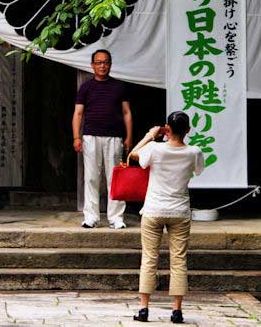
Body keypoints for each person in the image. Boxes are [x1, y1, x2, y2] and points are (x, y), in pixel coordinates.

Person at [129, 111, 204, 324]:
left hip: (153, 209)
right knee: (179, 260)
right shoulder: (194, 151)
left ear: (167, 129)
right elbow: (198, 171)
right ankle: (176, 311)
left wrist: (150, 135)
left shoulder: (154, 149)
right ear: (188, 130)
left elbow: (134, 154)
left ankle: (144, 309)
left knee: (149, 258)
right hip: (179, 211)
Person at [72, 49, 133, 229]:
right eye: (98, 62)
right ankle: (91, 217)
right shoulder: (86, 87)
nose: (102, 65)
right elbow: (78, 113)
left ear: (110, 65)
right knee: (91, 177)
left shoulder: (119, 87)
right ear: (92, 65)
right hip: (91, 136)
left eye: (105, 62)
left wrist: (128, 137)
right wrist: (77, 137)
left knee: (114, 178)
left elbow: (127, 113)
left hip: (114, 137)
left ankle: (116, 218)